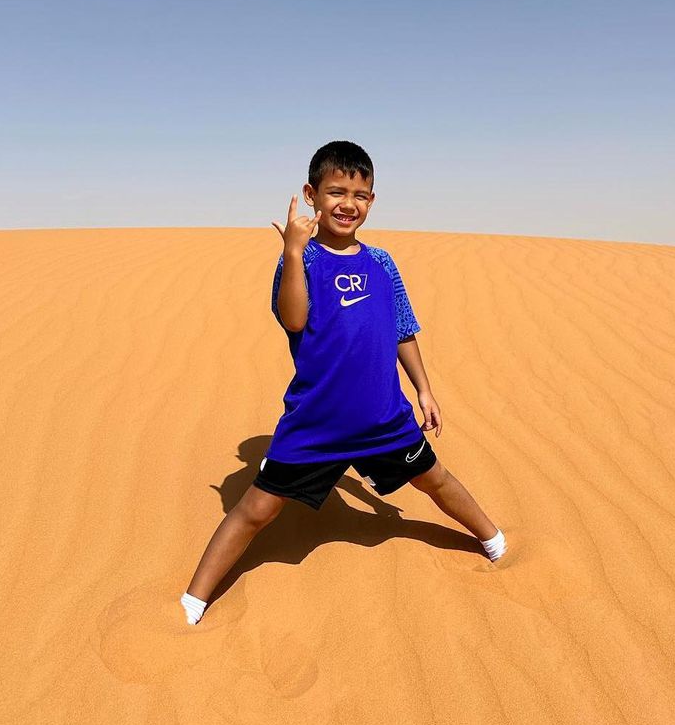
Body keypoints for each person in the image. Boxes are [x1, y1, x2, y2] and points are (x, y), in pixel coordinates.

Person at [180, 140, 506, 625]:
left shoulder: (382, 264)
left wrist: (424, 389)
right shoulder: (305, 260)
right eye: (336, 192)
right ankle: (193, 600)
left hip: (384, 419)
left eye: (360, 194)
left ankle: (495, 541)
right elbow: (293, 320)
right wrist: (292, 251)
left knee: (434, 478)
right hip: (316, 424)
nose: (348, 204)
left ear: (371, 201)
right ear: (312, 194)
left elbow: (402, 330)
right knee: (256, 510)